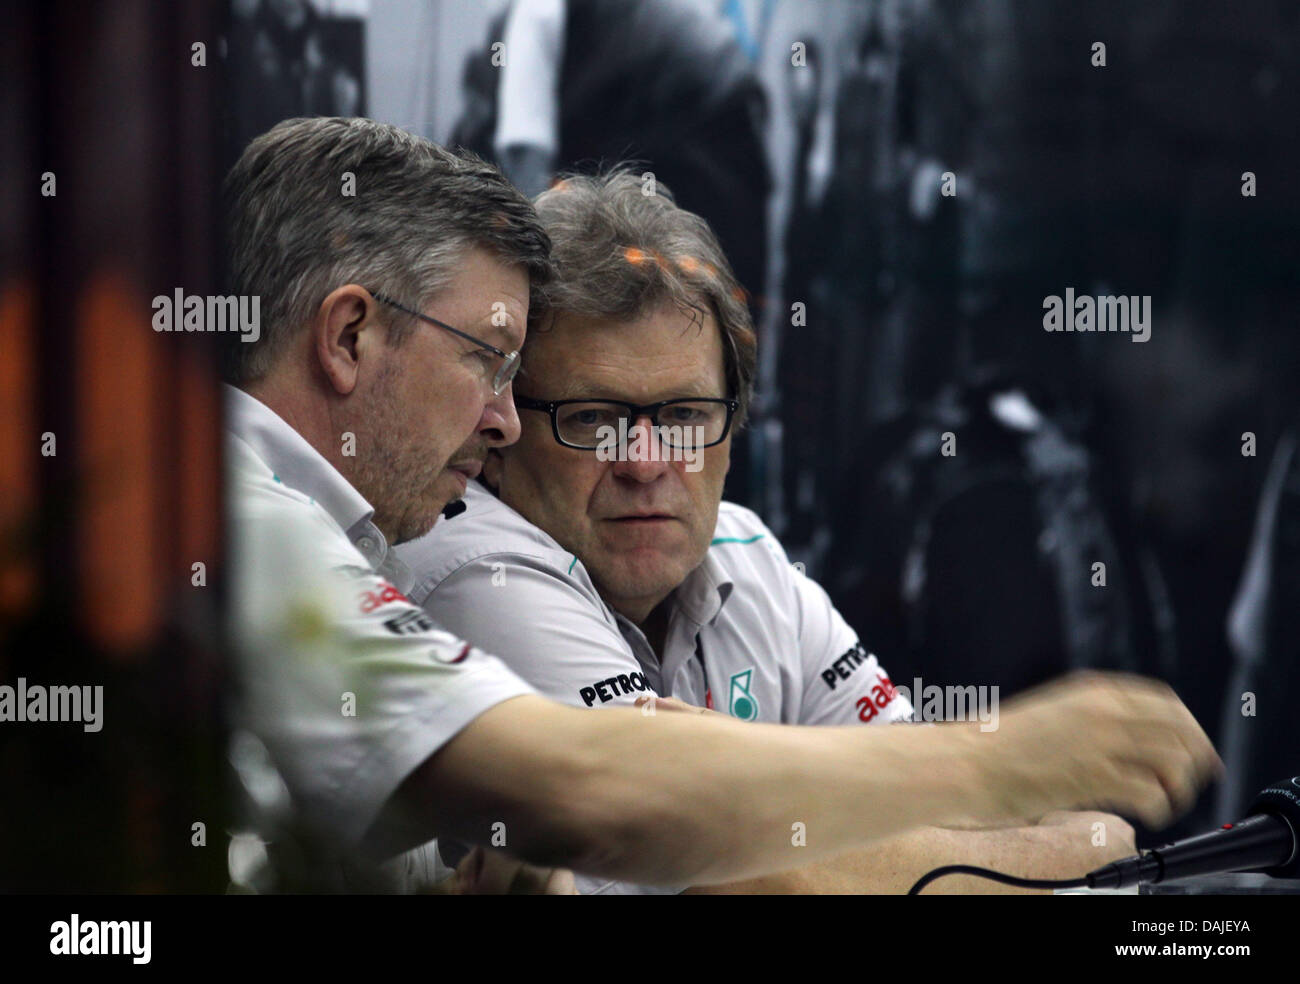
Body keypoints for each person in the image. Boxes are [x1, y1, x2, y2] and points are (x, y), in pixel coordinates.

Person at [225, 117, 1219, 893]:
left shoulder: (739, 543)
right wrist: (1011, 761)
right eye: (495, 366)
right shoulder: (273, 531)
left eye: (691, 414)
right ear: (348, 336)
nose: (501, 426)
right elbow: (629, 812)